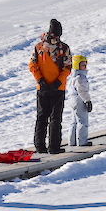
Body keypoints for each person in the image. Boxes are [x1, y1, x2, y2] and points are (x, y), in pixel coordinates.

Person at [29, 19, 72, 154]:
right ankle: (54, 147)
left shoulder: (39, 46)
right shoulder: (63, 47)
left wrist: (40, 80)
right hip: (58, 88)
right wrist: (58, 81)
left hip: (42, 87)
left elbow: (32, 65)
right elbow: (67, 67)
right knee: (55, 118)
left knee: (41, 116)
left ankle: (39, 146)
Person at [68, 54, 93, 147]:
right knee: (83, 121)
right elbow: (83, 91)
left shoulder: (72, 77)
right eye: (82, 65)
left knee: (73, 121)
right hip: (79, 99)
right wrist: (87, 101)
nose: (85, 67)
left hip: (72, 99)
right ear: (76, 65)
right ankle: (82, 142)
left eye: (85, 64)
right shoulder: (80, 78)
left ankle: (72, 142)